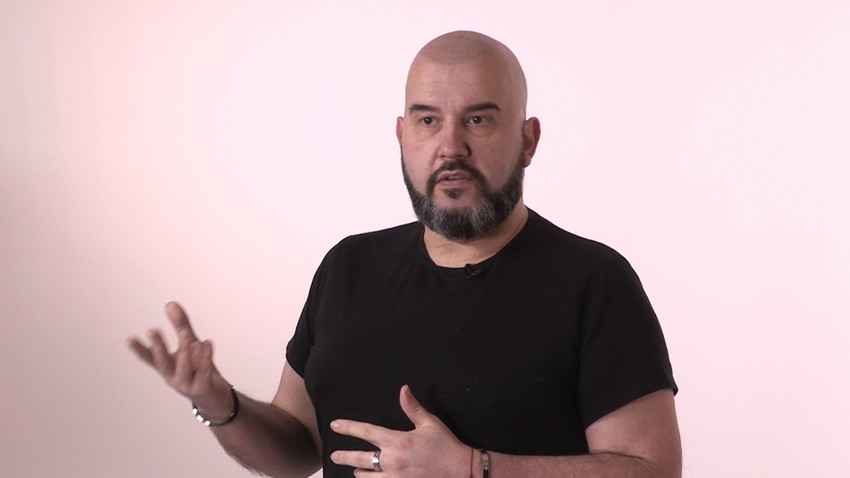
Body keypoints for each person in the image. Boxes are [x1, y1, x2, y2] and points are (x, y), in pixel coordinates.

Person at [127, 30, 681, 478]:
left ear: (528, 140)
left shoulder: (593, 282)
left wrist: (474, 469)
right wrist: (220, 405)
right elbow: (298, 450)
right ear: (402, 135)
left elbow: (652, 470)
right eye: (428, 120)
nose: (450, 146)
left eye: (479, 119)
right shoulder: (349, 268)